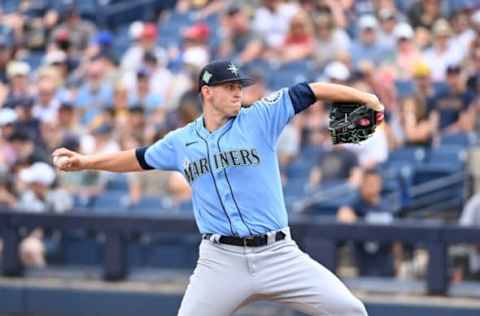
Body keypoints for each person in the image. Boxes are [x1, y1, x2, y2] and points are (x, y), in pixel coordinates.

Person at [53, 60, 383, 316]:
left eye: (239, 85)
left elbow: (309, 90)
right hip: (220, 260)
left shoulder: (260, 117)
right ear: (207, 92)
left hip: (278, 254)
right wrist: (86, 162)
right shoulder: (181, 141)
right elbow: (138, 158)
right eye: (229, 87)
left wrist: (365, 96)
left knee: (350, 310)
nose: (238, 92)